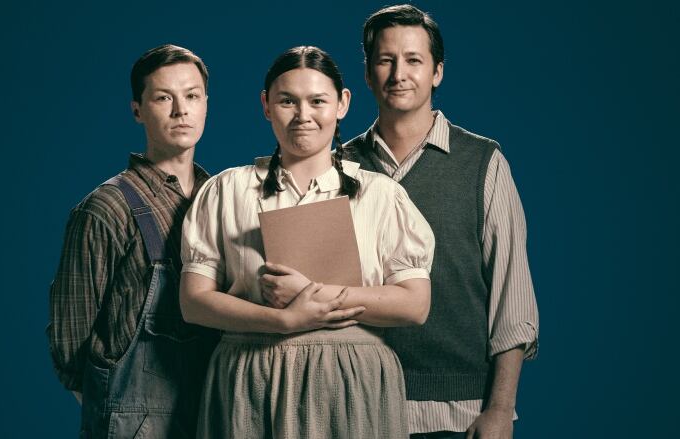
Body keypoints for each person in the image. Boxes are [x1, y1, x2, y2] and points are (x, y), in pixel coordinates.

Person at [179, 46, 435, 438]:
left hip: (353, 382)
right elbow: (194, 302)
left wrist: (312, 294)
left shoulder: (381, 196)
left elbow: (415, 304)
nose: (303, 116)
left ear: (342, 103)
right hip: (251, 376)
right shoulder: (225, 191)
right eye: (287, 101)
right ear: (266, 105)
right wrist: (282, 320)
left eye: (318, 101)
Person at [342, 5, 540, 439]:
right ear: (368, 73)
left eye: (414, 60)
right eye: (385, 60)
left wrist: (501, 409)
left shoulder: (483, 162)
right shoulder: (339, 166)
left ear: (437, 72)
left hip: (458, 412)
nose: (399, 73)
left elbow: (512, 297)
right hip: (355, 404)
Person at [47, 44, 217, 438]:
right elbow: (69, 343)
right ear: (138, 110)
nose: (181, 110)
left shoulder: (220, 198)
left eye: (192, 96)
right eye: (163, 98)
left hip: (213, 415)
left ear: (206, 103)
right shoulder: (107, 207)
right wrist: (121, 418)